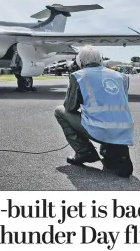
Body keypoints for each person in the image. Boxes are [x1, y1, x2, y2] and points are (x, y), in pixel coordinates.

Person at [54, 45, 134, 177]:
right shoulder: (121, 76)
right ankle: (112, 151)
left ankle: (84, 152)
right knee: (108, 116)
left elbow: (70, 107)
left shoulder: (79, 76)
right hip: (125, 131)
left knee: (60, 111)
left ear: (80, 62)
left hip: (100, 130)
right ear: (100, 59)